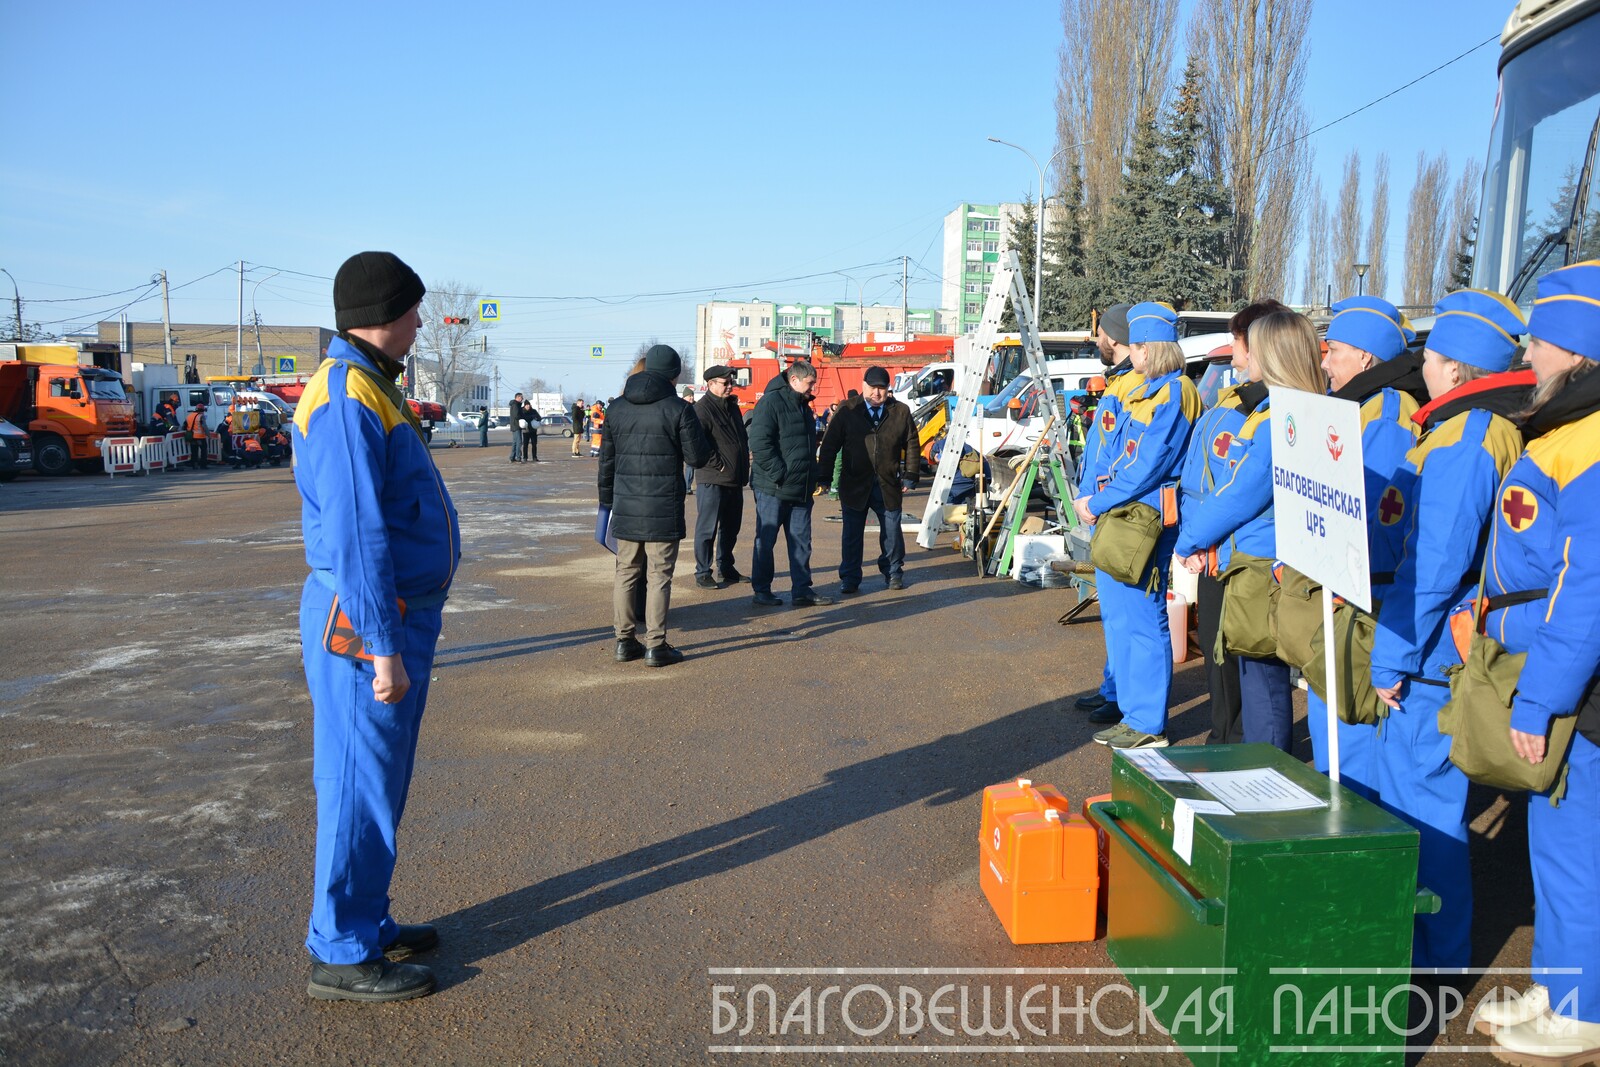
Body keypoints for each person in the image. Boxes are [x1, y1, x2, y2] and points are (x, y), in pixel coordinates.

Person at [293, 251, 459, 1003]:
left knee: (379, 779)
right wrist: (383, 647)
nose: (421, 321)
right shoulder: (347, 393)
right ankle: (341, 947)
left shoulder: (366, 383)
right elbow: (358, 534)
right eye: (414, 309)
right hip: (364, 622)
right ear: (385, 313)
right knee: (357, 781)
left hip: (387, 615)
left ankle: (365, 916)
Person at [1362, 289, 1532, 974]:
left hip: (1432, 659)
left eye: (1430, 355)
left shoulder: (1465, 441)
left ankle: (1435, 963)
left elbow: (1433, 566)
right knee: (1418, 803)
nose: (1420, 364)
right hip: (1434, 651)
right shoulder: (1465, 429)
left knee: (1424, 816)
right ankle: (1430, 953)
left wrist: (1391, 655)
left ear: (1457, 369)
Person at [1466, 262, 1600, 1064]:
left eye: (1543, 336)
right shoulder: (1573, 429)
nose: (1529, 348)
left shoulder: (1588, 442)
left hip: (1577, 690)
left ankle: (1583, 1008)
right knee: (1556, 842)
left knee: (1575, 843)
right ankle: (1561, 982)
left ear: (1577, 346)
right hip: (1564, 679)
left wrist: (1538, 699)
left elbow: (1586, 589)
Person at [1177, 309, 1325, 752]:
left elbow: (1241, 492)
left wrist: (1191, 539)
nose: (1246, 357)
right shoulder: (1278, 411)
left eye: (1253, 346)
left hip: (1261, 564)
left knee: (1261, 684)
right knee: (1253, 675)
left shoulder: (1282, 418)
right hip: (1253, 557)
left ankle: (1265, 772)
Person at [1303, 295, 1425, 798]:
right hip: (1341, 588)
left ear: (1367, 359)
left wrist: (1342, 577)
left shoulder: (1390, 415)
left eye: (1334, 350)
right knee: (1333, 738)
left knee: (1351, 749)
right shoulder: (1360, 406)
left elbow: (1378, 517)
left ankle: (1355, 855)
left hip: (1361, 598)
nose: (1325, 361)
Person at [1077, 301, 1200, 749]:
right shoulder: (1152, 389)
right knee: (1123, 617)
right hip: (1124, 514)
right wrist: (1095, 497)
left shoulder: (1175, 392)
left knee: (1145, 619)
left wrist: (1099, 499)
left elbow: (1148, 464)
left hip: (1145, 518)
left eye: (1140, 346)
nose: (1135, 353)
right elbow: (1115, 454)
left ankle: (1147, 723)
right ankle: (1132, 711)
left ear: (1152, 348)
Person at [598, 344, 713, 667]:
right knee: (660, 575)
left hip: (625, 504)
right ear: (674, 374)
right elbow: (697, 458)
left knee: (626, 572)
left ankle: (623, 641)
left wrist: (606, 502)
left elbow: (606, 462)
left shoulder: (617, 408)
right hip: (663, 505)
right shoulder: (678, 409)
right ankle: (655, 645)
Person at [1073, 303, 1137, 726]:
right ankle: (1113, 688)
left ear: (1112, 336)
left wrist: (1095, 501)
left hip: (1118, 512)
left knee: (1131, 619)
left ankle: (1128, 700)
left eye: (1099, 333)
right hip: (1103, 509)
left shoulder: (1134, 386)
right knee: (1114, 616)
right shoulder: (1118, 382)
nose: (1096, 340)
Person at [817, 365, 920, 594]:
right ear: (864, 386)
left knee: (892, 532)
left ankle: (893, 572)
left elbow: (912, 443)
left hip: (887, 484)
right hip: (854, 484)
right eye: (873, 387)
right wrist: (823, 475)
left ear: (887, 389)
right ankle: (850, 578)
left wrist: (910, 475)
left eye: (882, 388)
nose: (877, 393)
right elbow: (830, 444)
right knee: (852, 535)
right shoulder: (847, 410)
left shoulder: (900, 412)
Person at [748, 360, 833, 608]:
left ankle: (802, 590)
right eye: (809, 384)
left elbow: (804, 447)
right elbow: (760, 444)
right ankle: (762, 590)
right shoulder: (771, 403)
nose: (812, 388)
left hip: (800, 489)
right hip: (774, 488)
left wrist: (813, 475)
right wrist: (780, 474)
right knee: (766, 540)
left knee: (801, 542)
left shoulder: (803, 406)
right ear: (794, 380)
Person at [692, 365, 750, 588]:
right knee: (707, 528)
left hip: (734, 479)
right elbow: (698, 445)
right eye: (725, 383)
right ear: (711, 384)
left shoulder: (731, 406)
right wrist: (720, 466)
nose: (729, 386)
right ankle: (703, 571)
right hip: (713, 479)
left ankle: (726, 567)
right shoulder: (702, 409)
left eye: (730, 382)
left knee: (731, 527)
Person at [184, 401, 210, 469]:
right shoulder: (201, 416)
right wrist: (209, 435)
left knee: (194, 451)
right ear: (202, 410)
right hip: (200, 437)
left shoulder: (189, 416)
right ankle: (203, 465)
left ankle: (194, 465)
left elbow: (184, 426)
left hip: (192, 437)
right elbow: (204, 426)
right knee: (203, 451)